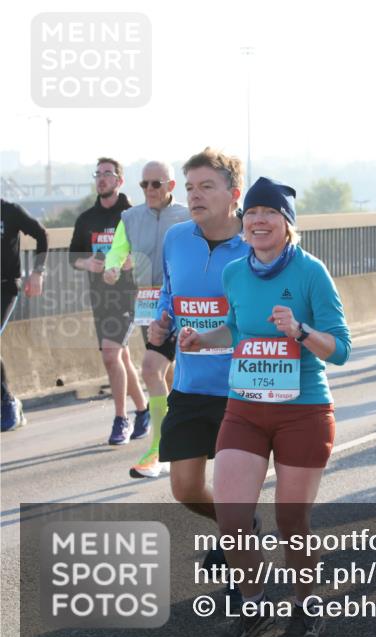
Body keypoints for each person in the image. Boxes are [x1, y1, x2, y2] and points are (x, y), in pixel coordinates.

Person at [178, 177, 351, 637]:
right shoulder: (235, 272)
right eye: (251, 212)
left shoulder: (311, 272)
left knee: (292, 519)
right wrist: (202, 339)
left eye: (269, 213)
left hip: (303, 412)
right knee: (232, 517)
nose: (258, 220)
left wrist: (299, 330)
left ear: (287, 223)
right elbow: (235, 328)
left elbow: (341, 348)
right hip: (245, 410)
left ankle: (307, 607)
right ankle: (253, 608)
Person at [147, 148, 250, 553]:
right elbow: (169, 293)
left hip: (242, 389)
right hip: (191, 386)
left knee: (232, 487)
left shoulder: (254, 242)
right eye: (190, 187)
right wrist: (163, 321)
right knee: (185, 488)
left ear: (234, 194)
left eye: (207, 186)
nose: (195, 195)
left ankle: (239, 558)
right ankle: (237, 526)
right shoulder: (176, 238)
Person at [103, 161, 190, 478]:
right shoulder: (130, 217)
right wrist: (112, 267)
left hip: (184, 302)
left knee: (162, 370)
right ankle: (169, 439)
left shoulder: (187, 215)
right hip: (149, 303)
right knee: (161, 370)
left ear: (171, 186)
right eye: (144, 184)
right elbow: (117, 249)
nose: (149, 190)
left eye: (156, 184)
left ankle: (163, 444)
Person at [69, 158, 148, 444]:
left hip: (127, 295)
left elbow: (149, 251)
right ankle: (143, 410)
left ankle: (120, 419)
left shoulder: (133, 215)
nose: (101, 178)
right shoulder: (86, 219)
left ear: (119, 180)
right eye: (98, 174)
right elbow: (73, 257)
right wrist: (87, 263)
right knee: (121, 357)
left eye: (108, 173)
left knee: (110, 355)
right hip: (99, 297)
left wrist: (132, 261)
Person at [1, 200, 48, 431]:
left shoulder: (9, 211)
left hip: (5, 287)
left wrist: (38, 272)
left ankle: (8, 402)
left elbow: (41, 235)